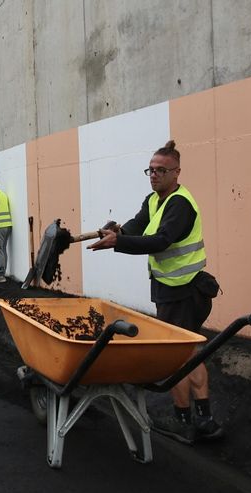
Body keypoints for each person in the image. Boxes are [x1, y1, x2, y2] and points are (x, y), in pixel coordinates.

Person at [86, 140, 223, 445]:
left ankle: (184, 422)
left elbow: (161, 240)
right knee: (190, 353)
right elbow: (138, 225)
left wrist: (117, 243)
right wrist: (117, 232)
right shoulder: (155, 200)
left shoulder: (180, 204)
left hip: (182, 292)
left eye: (162, 170)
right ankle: (206, 421)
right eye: (151, 169)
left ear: (177, 173)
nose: (154, 174)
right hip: (176, 290)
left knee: (176, 357)